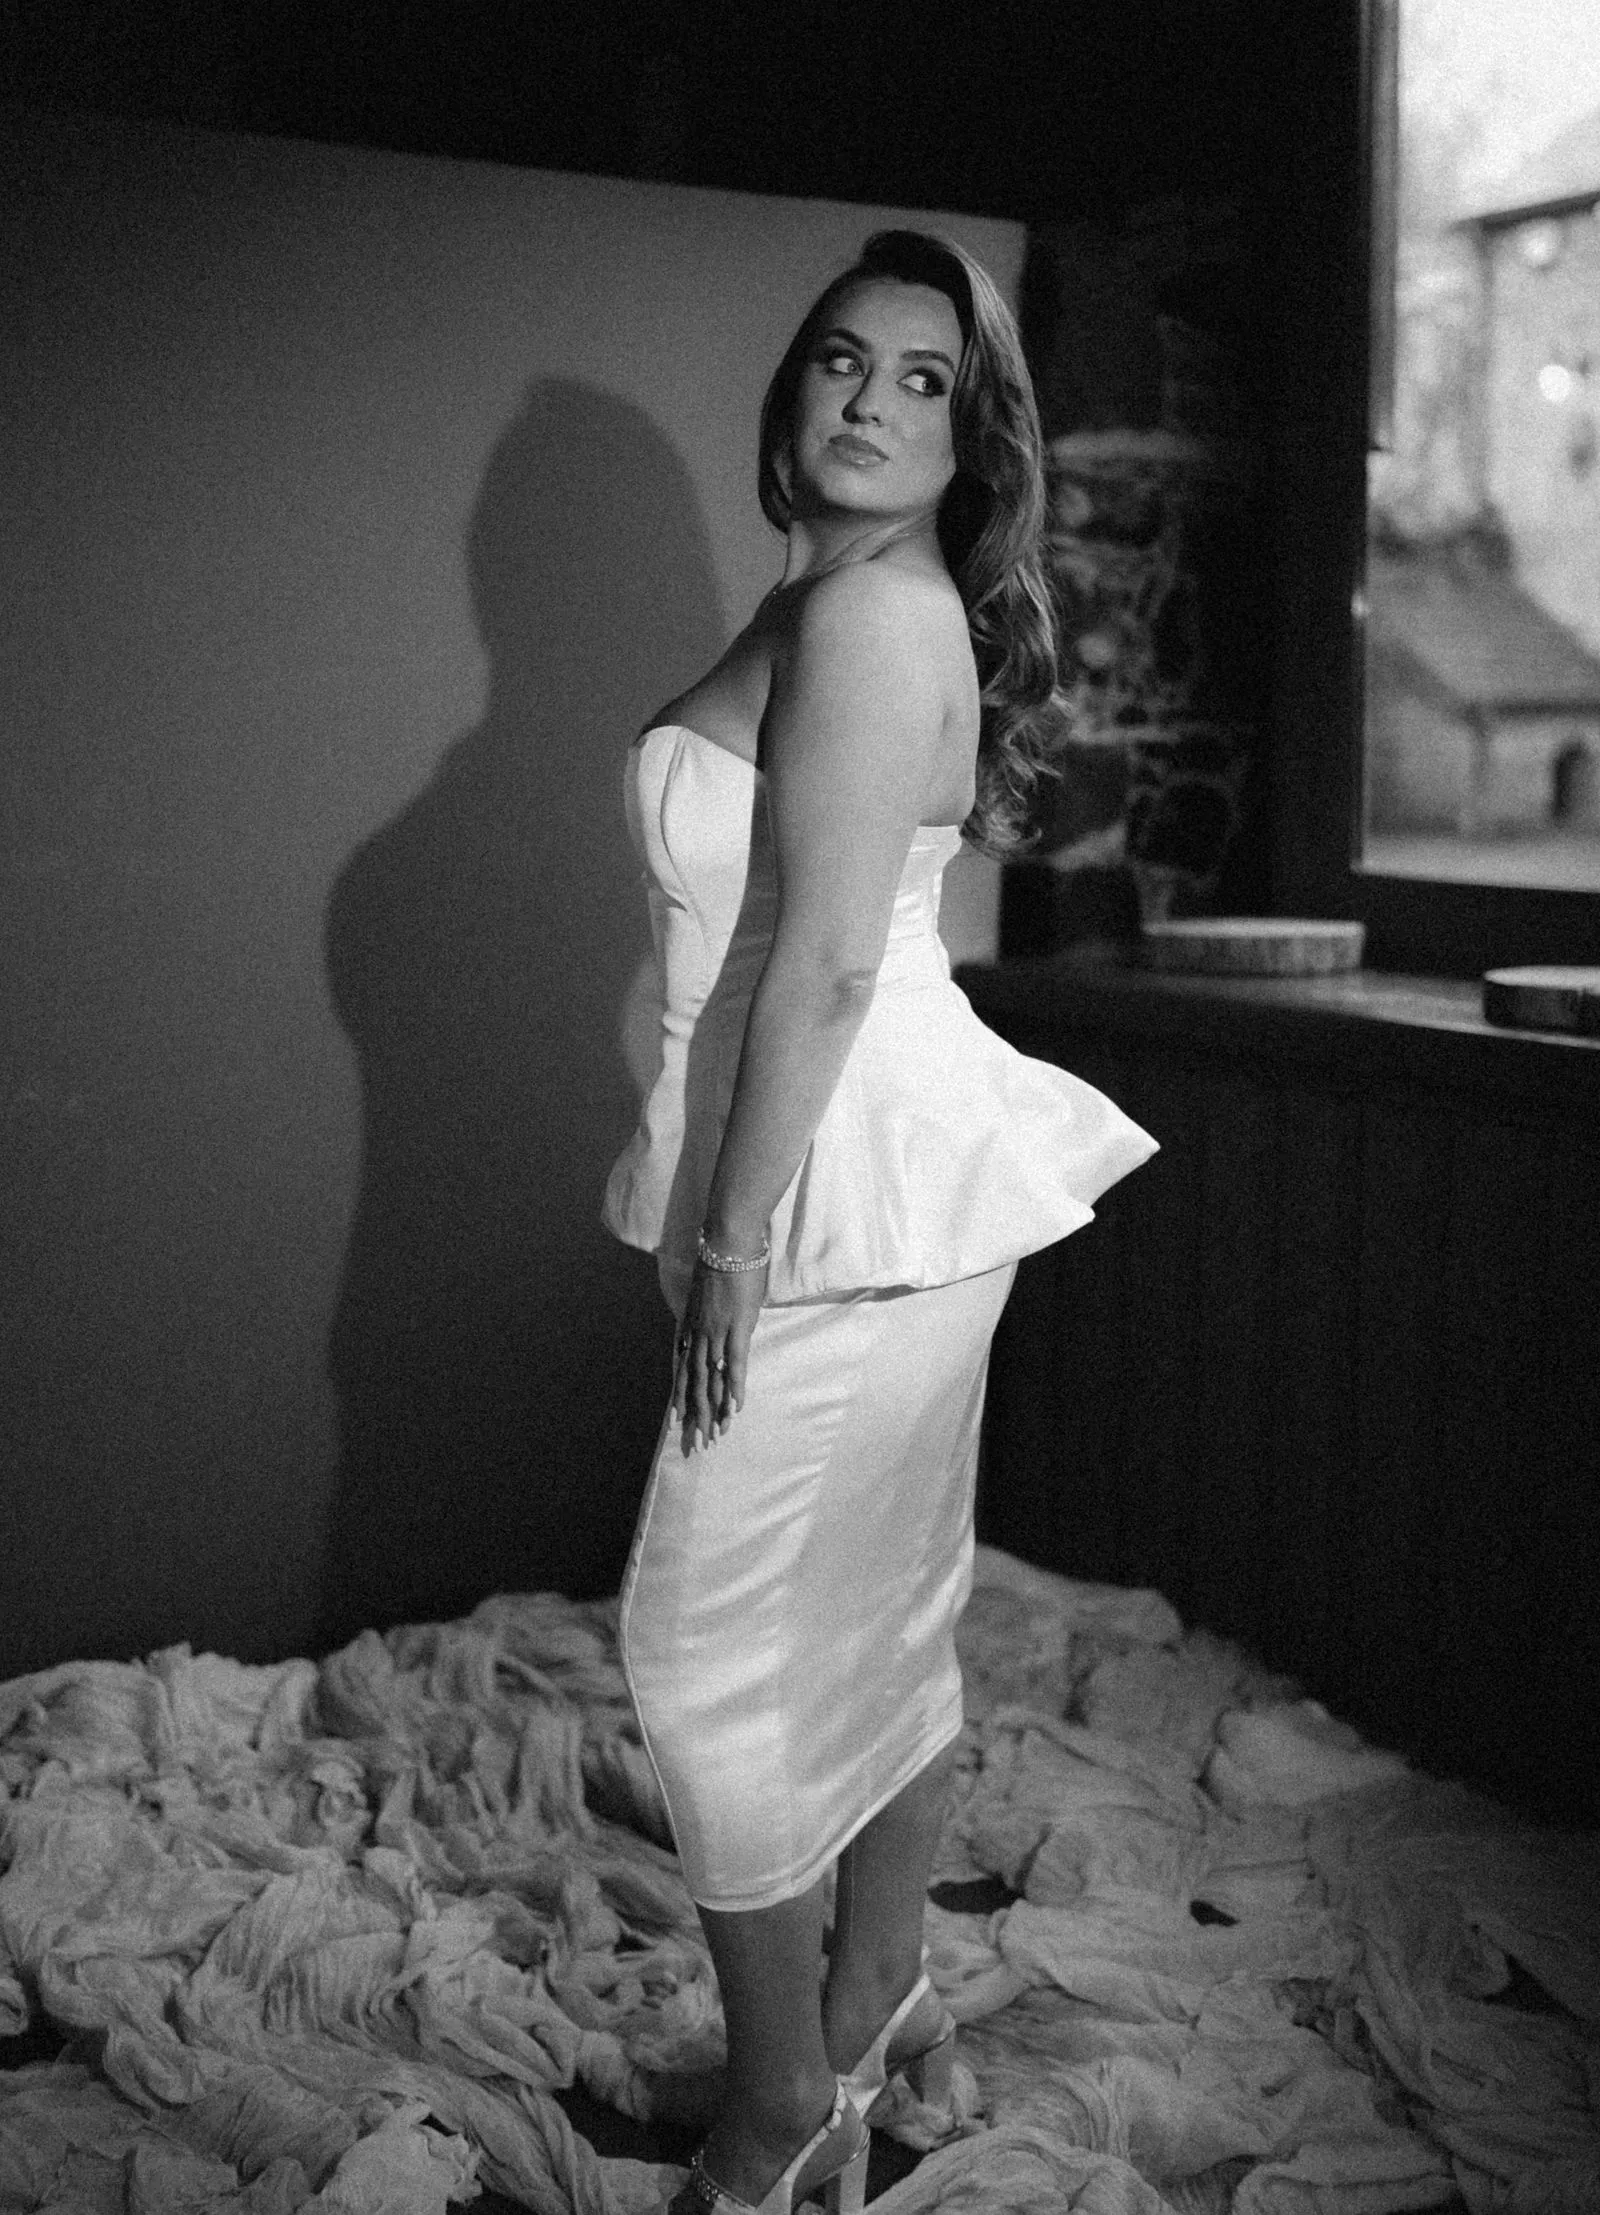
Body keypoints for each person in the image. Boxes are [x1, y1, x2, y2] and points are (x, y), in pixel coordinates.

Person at [602, 229, 1157, 2215]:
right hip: (854, 1171)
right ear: (793, 391)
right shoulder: (832, 598)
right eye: (843, 358)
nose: (868, 397)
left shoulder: (866, 619)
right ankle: (878, 1983)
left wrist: (732, 1241)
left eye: (925, 379)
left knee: (696, 1650)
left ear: (970, 438)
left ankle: (781, 2104)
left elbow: (830, 964)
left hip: (846, 1186)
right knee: (885, 1599)